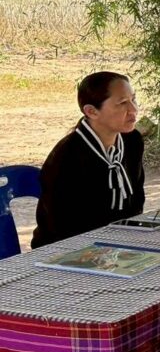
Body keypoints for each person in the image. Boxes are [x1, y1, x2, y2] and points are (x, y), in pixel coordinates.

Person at [32, 72, 146, 248]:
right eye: (122, 103)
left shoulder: (132, 140)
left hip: (118, 243)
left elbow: (136, 200)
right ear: (91, 111)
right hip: (66, 250)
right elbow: (62, 225)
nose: (133, 110)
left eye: (133, 99)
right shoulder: (67, 157)